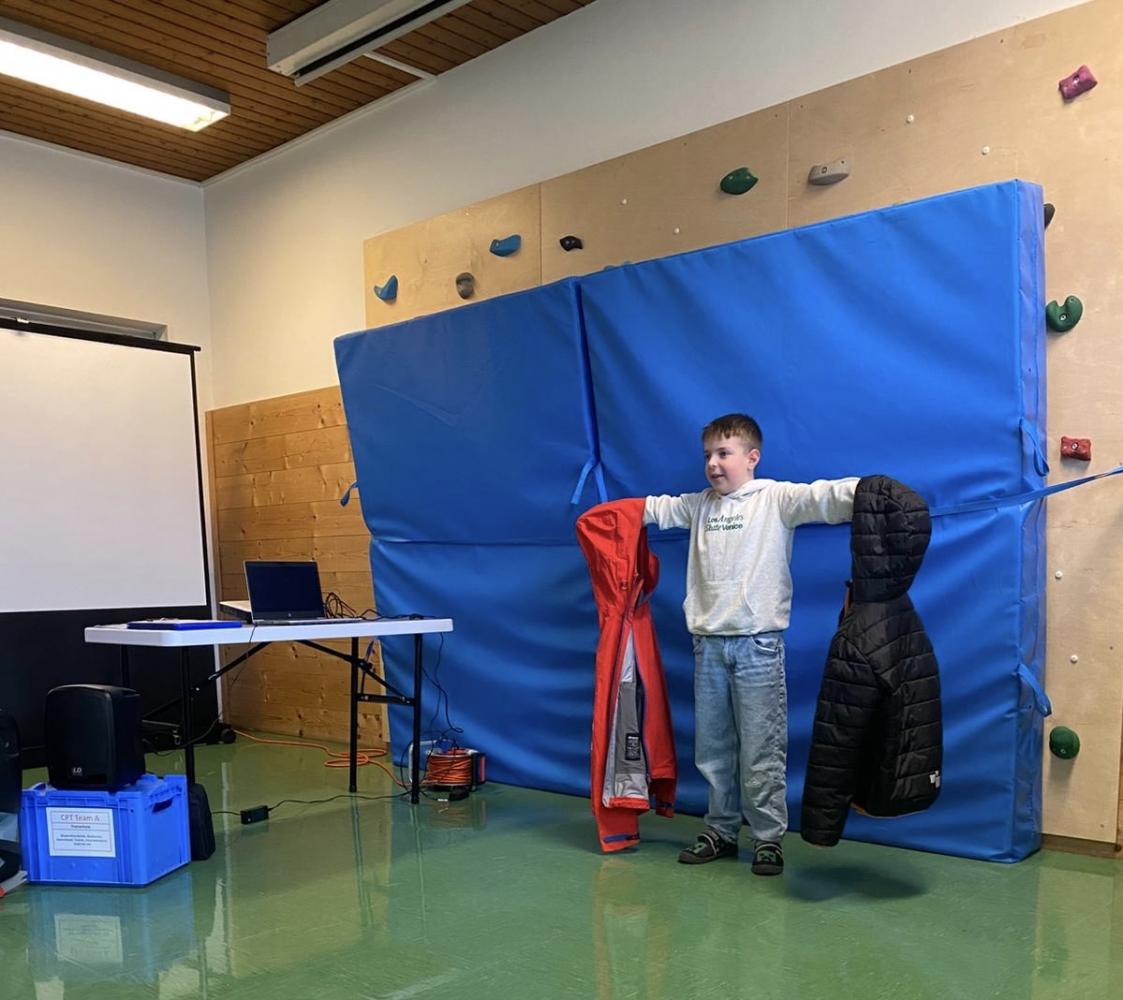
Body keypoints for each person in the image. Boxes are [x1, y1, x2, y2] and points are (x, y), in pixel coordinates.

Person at [644, 413, 857, 875]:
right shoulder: (699, 506)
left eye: (724, 453)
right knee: (713, 748)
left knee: (761, 749)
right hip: (708, 647)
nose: (713, 464)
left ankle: (767, 838)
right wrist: (613, 515)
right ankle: (720, 830)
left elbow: (824, 497)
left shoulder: (775, 499)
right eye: (708, 455)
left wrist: (870, 490)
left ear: (752, 457)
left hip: (758, 647)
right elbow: (655, 508)